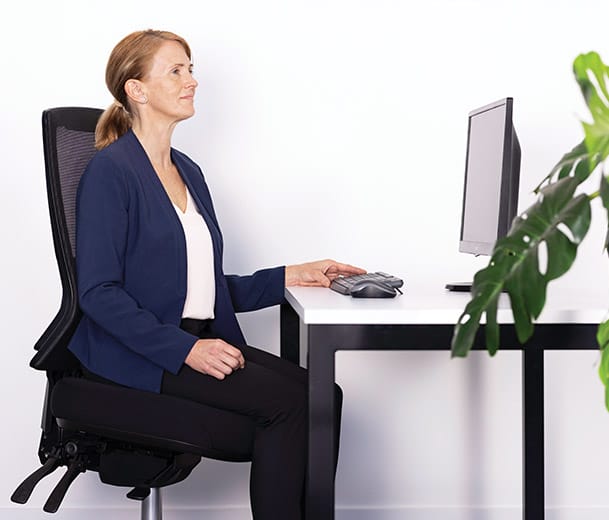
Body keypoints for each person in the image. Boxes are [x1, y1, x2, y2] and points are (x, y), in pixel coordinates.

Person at [66, 29, 365, 519]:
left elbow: (198, 288)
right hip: (145, 351)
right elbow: (99, 293)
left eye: (191, 68)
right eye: (176, 70)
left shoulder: (187, 170)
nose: (193, 81)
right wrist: (187, 349)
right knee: (290, 408)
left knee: (323, 395)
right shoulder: (111, 172)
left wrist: (294, 273)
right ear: (136, 90)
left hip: (194, 335)